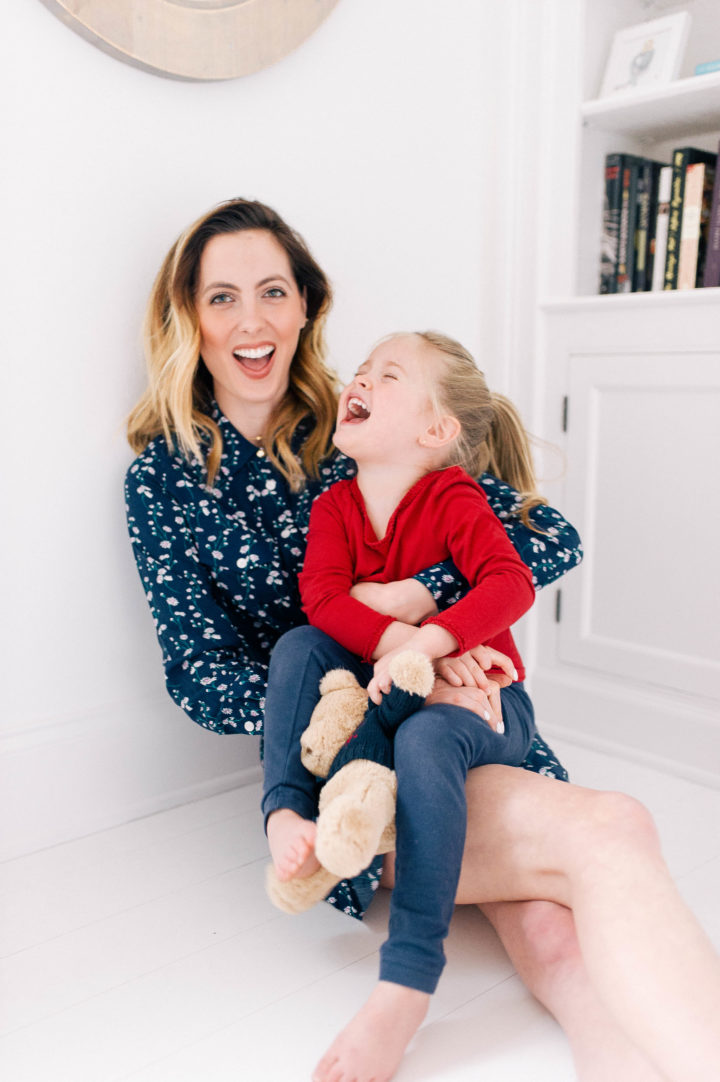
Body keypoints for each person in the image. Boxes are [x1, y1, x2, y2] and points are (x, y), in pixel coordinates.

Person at [125, 198, 720, 1082]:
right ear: (188, 318)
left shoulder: (359, 426)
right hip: (352, 763)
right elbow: (198, 676)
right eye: (222, 297)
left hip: (458, 719)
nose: (252, 321)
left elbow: (542, 537)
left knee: (556, 933)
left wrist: (420, 616)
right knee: (611, 832)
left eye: (273, 292)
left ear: (305, 309)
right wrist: (368, 687)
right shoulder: (161, 481)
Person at [263, 329, 545, 996]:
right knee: (298, 646)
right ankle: (286, 813)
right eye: (360, 369)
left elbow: (511, 584)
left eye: (387, 375)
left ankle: (411, 972)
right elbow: (323, 600)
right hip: (394, 698)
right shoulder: (334, 506)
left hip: (483, 705)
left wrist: (431, 643)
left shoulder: (454, 499)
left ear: (435, 430)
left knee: (425, 735)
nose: (358, 380)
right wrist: (405, 644)